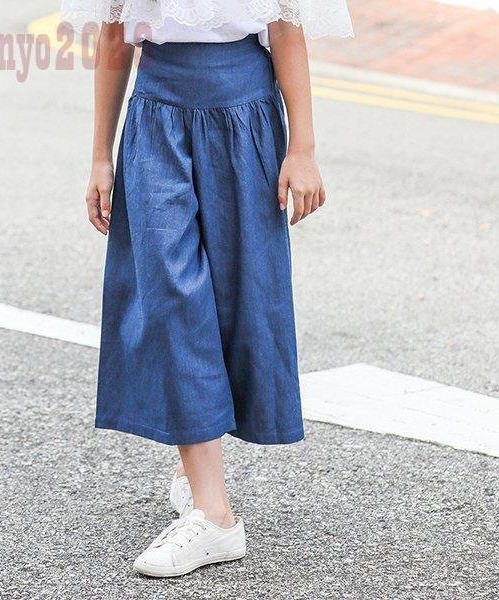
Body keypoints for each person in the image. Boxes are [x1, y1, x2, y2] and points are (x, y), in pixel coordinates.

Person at [62, 0, 353, 578]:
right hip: (155, 118)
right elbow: (115, 39)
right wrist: (99, 158)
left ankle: (195, 467)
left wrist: (303, 149)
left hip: (246, 117)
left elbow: (286, 31)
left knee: (240, 298)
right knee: (171, 296)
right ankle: (216, 516)